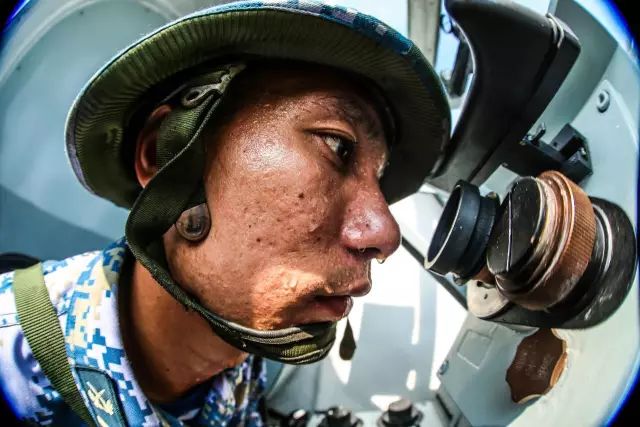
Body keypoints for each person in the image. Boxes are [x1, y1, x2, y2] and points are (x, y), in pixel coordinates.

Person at [0, 1, 450, 425]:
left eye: (378, 183)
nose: (385, 234)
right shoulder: (13, 363)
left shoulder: (244, 353)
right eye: (338, 145)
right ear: (161, 153)